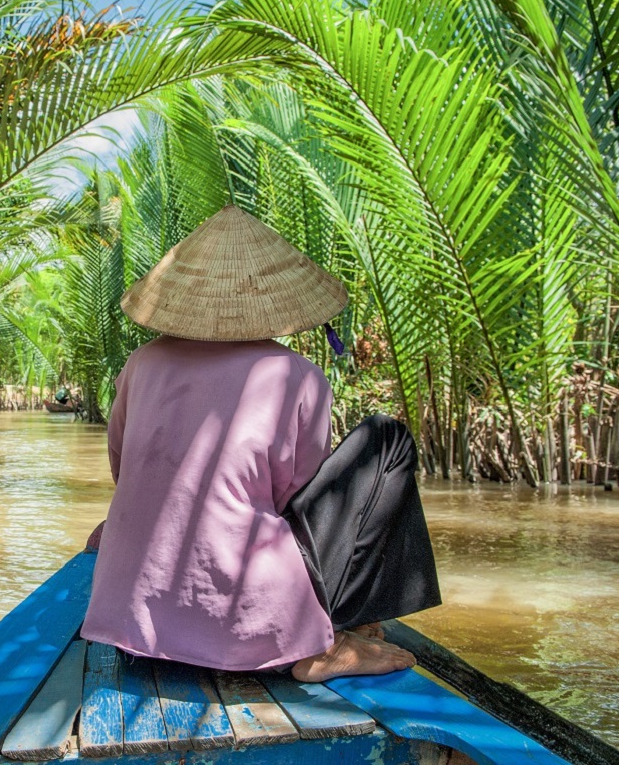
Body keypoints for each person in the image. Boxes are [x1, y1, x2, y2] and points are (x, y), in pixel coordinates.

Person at [80, 205, 441, 682]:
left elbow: (125, 471)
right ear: (273, 301)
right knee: (386, 437)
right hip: (247, 621)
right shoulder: (299, 376)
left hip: (131, 618)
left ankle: (316, 628)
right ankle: (326, 640)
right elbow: (301, 502)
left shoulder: (140, 364)